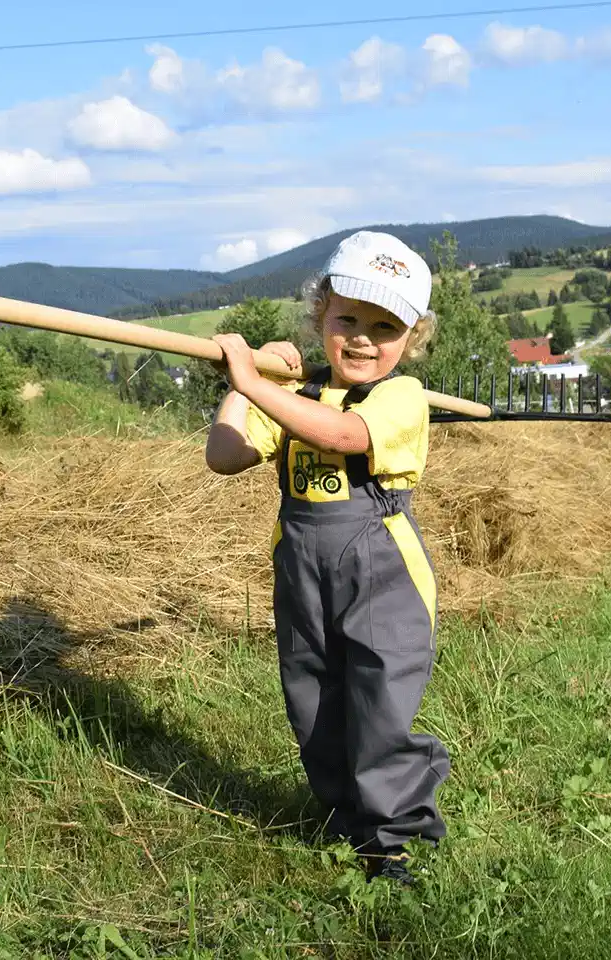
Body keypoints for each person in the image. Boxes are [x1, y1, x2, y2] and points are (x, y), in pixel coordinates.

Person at [204, 231, 449, 886]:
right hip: (303, 571)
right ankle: (346, 818)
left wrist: (257, 383)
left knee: (378, 700)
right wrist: (247, 383)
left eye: (385, 326)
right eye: (348, 319)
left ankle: (392, 837)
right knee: (312, 697)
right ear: (321, 317)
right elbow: (224, 456)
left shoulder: (403, 397)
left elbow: (342, 435)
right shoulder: (291, 394)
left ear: (412, 338)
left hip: (383, 575)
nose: (364, 339)